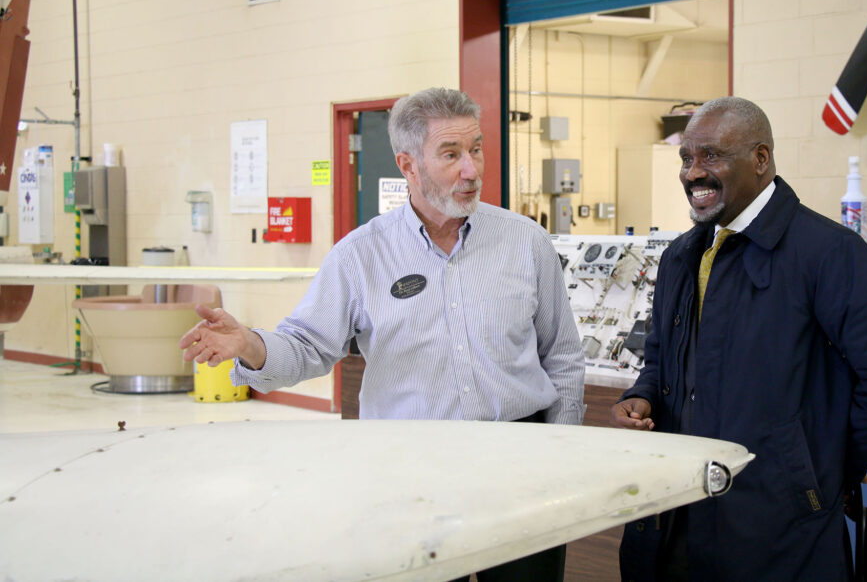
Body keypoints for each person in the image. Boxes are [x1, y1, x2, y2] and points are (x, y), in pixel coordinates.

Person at [181, 87, 584, 581]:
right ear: (407, 165)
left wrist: (563, 452)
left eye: (476, 149)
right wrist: (250, 345)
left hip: (522, 464)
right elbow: (308, 344)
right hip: (411, 473)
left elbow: (562, 355)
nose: (472, 170)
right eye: (451, 154)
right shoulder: (360, 256)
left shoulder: (525, 241)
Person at [610, 96, 867, 581]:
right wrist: (642, 396)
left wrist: (822, 465)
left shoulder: (827, 253)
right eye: (686, 158)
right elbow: (660, 359)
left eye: (711, 156)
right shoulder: (683, 256)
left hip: (780, 536)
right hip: (676, 521)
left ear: (760, 160)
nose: (691, 172)